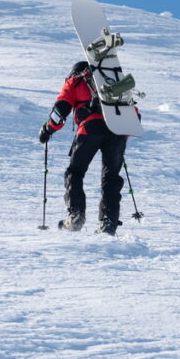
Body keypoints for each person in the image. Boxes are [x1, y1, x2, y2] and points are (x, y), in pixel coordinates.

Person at [38, 61, 132, 234]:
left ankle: (76, 216)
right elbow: (131, 111)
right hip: (117, 131)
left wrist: (47, 129)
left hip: (89, 129)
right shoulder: (114, 81)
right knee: (111, 177)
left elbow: (60, 111)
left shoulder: (75, 81)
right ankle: (108, 223)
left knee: (75, 172)